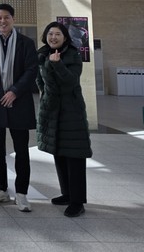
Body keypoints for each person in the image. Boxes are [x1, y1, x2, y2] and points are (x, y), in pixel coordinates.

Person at [0, 3, 37, 212]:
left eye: (6, 17)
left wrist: (15, 92)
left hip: (19, 101)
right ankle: (0, 189)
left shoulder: (26, 43)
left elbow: (32, 70)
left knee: (21, 150)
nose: (2, 21)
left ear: (13, 19)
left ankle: (21, 193)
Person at [36, 21, 92, 217]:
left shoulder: (73, 55)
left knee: (74, 156)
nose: (53, 37)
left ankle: (77, 201)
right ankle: (67, 194)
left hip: (71, 111)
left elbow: (70, 82)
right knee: (58, 152)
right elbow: (40, 80)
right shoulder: (42, 54)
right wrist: (44, 95)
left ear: (65, 37)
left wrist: (57, 64)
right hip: (52, 110)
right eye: (50, 34)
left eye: (57, 34)